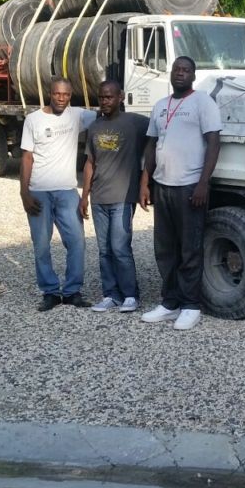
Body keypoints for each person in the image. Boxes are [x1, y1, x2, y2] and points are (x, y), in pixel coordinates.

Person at [139, 56, 222, 331]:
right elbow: (151, 145)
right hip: (163, 185)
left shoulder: (203, 103)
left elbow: (213, 143)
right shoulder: (161, 106)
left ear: (193, 76)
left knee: (190, 248)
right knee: (165, 248)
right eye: (177, 70)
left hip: (189, 186)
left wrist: (203, 183)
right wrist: (145, 181)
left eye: (186, 70)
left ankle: (190, 305)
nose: (181, 74)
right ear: (171, 73)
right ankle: (170, 302)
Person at [20, 77, 96, 312]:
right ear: (49, 93)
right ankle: (50, 292)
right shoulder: (33, 120)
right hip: (39, 191)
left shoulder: (78, 115)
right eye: (56, 94)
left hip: (67, 191)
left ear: (70, 96)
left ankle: (72, 291)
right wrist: (24, 193)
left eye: (65, 95)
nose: (61, 98)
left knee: (77, 242)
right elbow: (26, 157)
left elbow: (107, 114)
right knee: (41, 245)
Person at [79, 80, 149, 313]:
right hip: (99, 197)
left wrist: (145, 179)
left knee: (120, 248)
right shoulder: (95, 127)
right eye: (101, 97)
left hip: (123, 197)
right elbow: (90, 162)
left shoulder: (135, 123)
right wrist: (84, 195)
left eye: (109, 97)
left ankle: (130, 295)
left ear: (120, 97)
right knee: (104, 249)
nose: (105, 101)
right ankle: (111, 294)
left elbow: (157, 135)